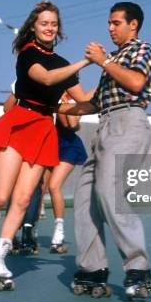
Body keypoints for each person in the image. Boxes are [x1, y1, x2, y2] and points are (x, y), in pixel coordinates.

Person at [0, 0, 93, 290]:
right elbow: (47, 77)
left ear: (58, 28)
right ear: (34, 27)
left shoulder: (64, 65)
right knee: (0, 197)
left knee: (24, 200)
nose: (49, 28)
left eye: (54, 24)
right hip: (19, 124)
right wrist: (88, 61)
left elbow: (83, 104)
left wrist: (108, 71)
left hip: (44, 130)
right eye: (44, 23)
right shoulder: (28, 53)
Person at [57, 2, 151, 299]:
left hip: (128, 123)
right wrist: (56, 106)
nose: (110, 28)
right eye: (109, 23)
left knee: (109, 191)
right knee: (85, 197)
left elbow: (137, 82)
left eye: (116, 23)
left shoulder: (143, 50)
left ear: (133, 25)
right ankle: (92, 270)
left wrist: (103, 61)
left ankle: (138, 268)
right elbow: (95, 103)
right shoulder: (113, 59)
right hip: (105, 125)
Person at [43, 92, 88, 254]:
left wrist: (67, 105)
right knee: (40, 188)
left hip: (68, 145)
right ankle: (29, 233)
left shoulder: (76, 100)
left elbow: (72, 125)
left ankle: (58, 235)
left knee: (54, 186)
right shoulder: (49, 95)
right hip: (49, 143)